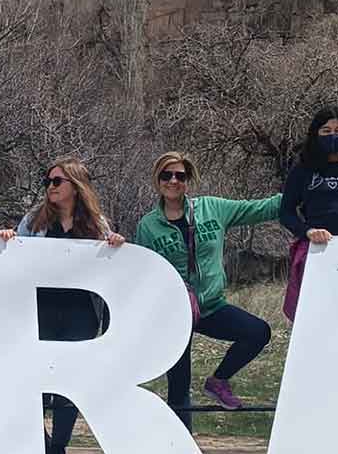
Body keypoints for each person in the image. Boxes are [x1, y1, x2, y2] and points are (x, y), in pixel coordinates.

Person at [134, 151, 281, 427]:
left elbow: (262, 208)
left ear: (188, 180)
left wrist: (305, 190)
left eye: (180, 175)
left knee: (258, 332)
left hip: (212, 306)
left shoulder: (212, 209)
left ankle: (218, 380)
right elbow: (140, 272)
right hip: (174, 313)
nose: (174, 181)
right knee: (179, 384)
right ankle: (180, 449)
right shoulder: (148, 226)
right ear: (158, 180)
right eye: (167, 175)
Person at [0, 157, 125, 454]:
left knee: (69, 382)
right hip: (40, 311)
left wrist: (115, 244)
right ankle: (38, 444)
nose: (50, 187)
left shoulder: (97, 225)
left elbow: (110, 265)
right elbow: (17, 254)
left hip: (80, 312)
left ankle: (58, 449)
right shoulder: (35, 220)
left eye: (57, 182)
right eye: (48, 182)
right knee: (34, 381)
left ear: (76, 186)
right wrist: (9, 238)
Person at [279, 106, 338, 320]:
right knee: (317, 317)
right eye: (326, 131)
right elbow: (285, 212)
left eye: (337, 130)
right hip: (319, 251)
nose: (333, 136)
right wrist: (308, 231)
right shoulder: (303, 168)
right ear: (315, 134)